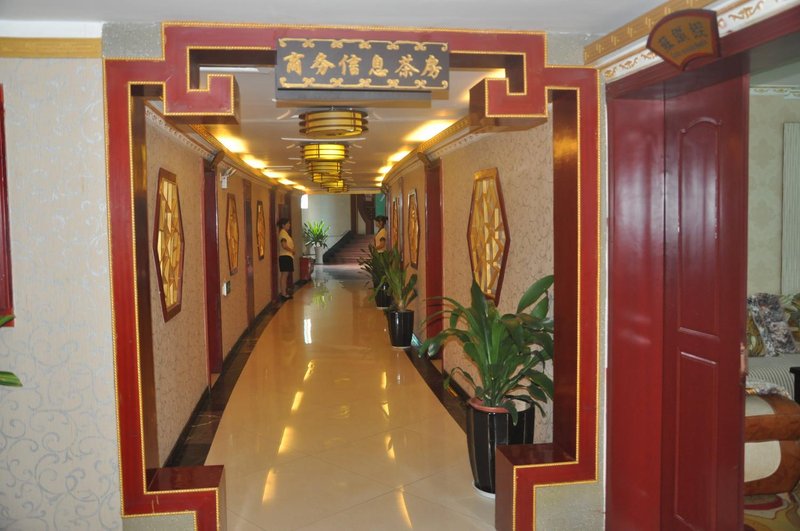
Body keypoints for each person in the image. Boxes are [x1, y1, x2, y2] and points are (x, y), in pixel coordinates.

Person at [276, 218, 295, 300]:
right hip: (285, 257)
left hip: (287, 256)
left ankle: (284, 293)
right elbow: (284, 245)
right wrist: (292, 250)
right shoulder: (283, 234)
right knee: (284, 276)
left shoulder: (285, 233)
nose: (289, 225)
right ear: (283, 225)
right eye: (288, 223)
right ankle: (283, 294)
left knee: (285, 276)